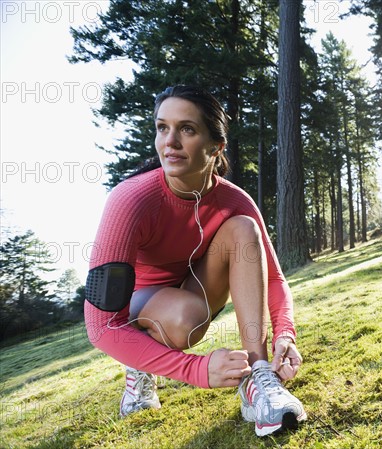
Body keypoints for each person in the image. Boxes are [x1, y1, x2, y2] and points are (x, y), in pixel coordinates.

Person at [84, 85, 306, 437]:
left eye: (186, 129)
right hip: (145, 305)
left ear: (216, 147)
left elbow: (275, 280)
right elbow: (101, 326)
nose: (169, 141)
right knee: (184, 318)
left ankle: (260, 378)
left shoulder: (235, 199)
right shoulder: (129, 201)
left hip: (196, 286)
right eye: (162, 128)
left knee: (242, 228)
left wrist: (285, 334)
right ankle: (138, 369)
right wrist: (198, 370)